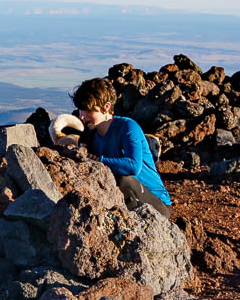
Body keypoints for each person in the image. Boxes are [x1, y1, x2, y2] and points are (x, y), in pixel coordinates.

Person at [71, 77, 172, 219]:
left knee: (123, 180)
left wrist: (95, 159)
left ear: (106, 107)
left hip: (157, 205)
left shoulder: (127, 127)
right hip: (125, 198)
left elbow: (133, 166)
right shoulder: (91, 136)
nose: (82, 116)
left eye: (87, 110)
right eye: (80, 110)